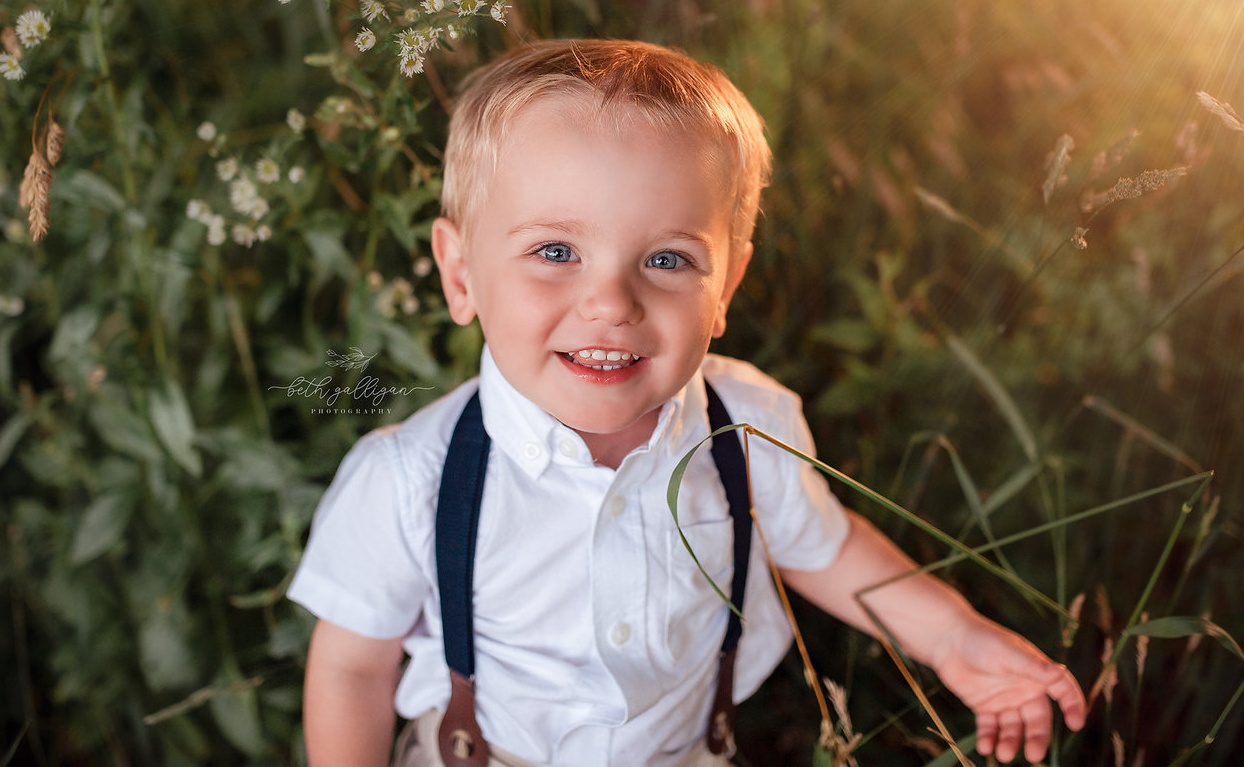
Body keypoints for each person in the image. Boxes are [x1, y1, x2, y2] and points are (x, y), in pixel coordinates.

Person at [287, 39, 1086, 767]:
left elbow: (824, 549)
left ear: (726, 286)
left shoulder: (748, 428)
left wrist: (953, 635)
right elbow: (354, 664)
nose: (610, 301)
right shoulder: (409, 479)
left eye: (667, 258)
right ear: (460, 274)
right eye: (555, 251)